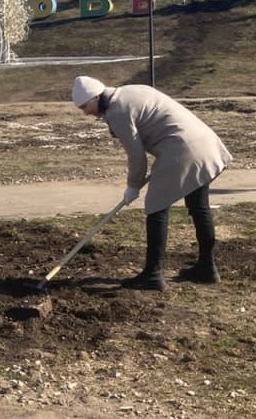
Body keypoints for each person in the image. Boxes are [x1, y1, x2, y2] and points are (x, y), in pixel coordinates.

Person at [72, 76, 232, 291]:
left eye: (85, 106)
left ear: (95, 96)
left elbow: (136, 155)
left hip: (181, 151)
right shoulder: (132, 91)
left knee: (156, 208)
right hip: (205, 143)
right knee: (199, 206)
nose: (86, 112)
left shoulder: (117, 111)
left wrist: (133, 186)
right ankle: (207, 267)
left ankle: (153, 275)